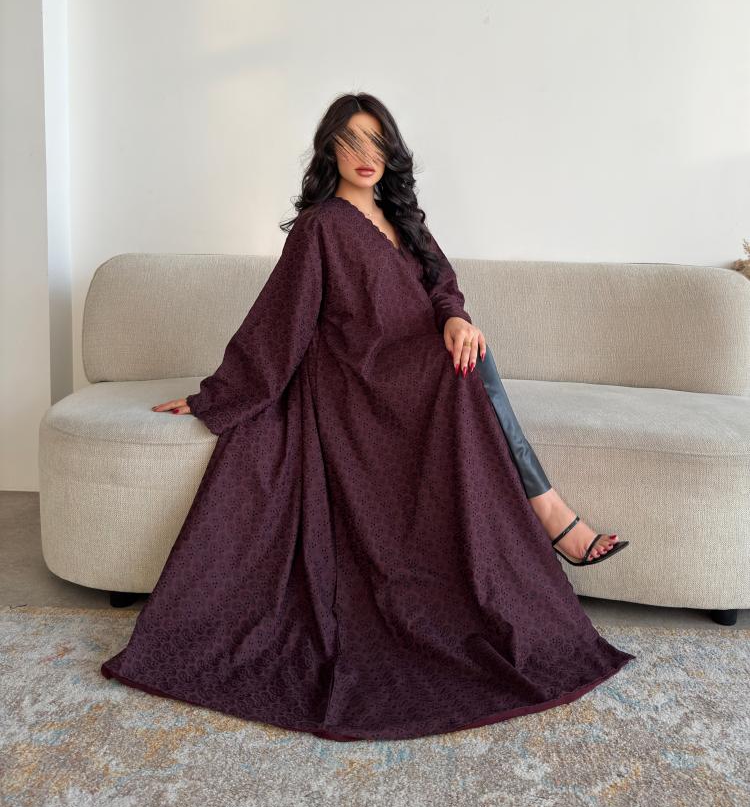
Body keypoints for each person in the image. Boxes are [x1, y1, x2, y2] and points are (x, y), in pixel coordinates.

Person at [100, 92, 635, 742]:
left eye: (377, 141)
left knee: (467, 354)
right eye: (352, 140)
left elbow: (443, 286)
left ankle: (550, 518)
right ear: (330, 149)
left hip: (417, 363)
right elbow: (280, 317)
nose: (365, 154)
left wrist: (456, 319)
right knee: (461, 367)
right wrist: (217, 395)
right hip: (360, 376)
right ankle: (554, 518)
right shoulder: (321, 227)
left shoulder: (403, 218)